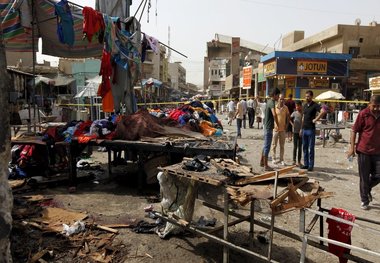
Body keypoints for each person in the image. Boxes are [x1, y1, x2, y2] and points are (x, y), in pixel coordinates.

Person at [347, 95, 380, 210]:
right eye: (374, 106)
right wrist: (352, 148)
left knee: (378, 175)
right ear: (369, 104)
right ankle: (364, 200)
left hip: (377, 151)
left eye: (378, 106)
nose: (376, 109)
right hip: (363, 150)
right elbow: (354, 131)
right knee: (364, 177)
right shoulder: (363, 114)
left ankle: (367, 189)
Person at [301, 90, 326, 171]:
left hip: (311, 129)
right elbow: (303, 117)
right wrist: (301, 128)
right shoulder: (304, 105)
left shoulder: (315, 105)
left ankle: (311, 165)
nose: (306, 98)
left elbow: (323, 111)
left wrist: (316, 119)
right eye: (306, 96)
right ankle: (306, 164)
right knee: (304, 147)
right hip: (304, 129)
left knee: (311, 148)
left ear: (311, 96)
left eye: (308, 96)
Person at [260, 88, 281, 171]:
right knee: (267, 146)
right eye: (278, 95)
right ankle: (266, 165)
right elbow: (274, 114)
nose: (278, 97)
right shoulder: (271, 102)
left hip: (266, 126)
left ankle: (262, 162)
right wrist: (278, 125)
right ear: (275, 95)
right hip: (268, 127)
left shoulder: (269, 101)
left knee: (265, 145)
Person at [271, 94, 290, 166]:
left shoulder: (286, 108)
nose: (282, 100)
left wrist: (287, 125)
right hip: (275, 129)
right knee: (274, 145)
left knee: (282, 145)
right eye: (280, 99)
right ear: (278, 99)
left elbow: (288, 116)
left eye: (283, 99)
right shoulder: (274, 107)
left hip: (283, 129)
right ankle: (273, 158)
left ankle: (281, 159)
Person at [290, 101, 303, 167]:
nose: (297, 107)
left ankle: (299, 161)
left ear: (301, 106)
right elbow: (289, 119)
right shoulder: (294, 113)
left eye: (298, 106)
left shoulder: (303, 113)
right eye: (296, 106)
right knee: (295, 147)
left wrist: (301, 129)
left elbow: (304, 122)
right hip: (295, 132)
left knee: (300, 147)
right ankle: (294, 160)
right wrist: (292, 125)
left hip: (301, 132)